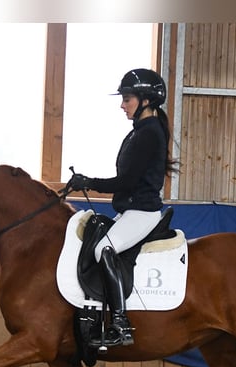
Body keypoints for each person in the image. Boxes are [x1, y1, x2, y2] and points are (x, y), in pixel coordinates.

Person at [70, 68, 178, 347]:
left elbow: (126, 181)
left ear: (146, 100)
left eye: (127, 99)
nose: (122, 105)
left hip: (142, 211)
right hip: (131, 210)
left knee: (103, 248)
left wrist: (88, 181)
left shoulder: (149, 133)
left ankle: (120, 322)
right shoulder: (141, 131)